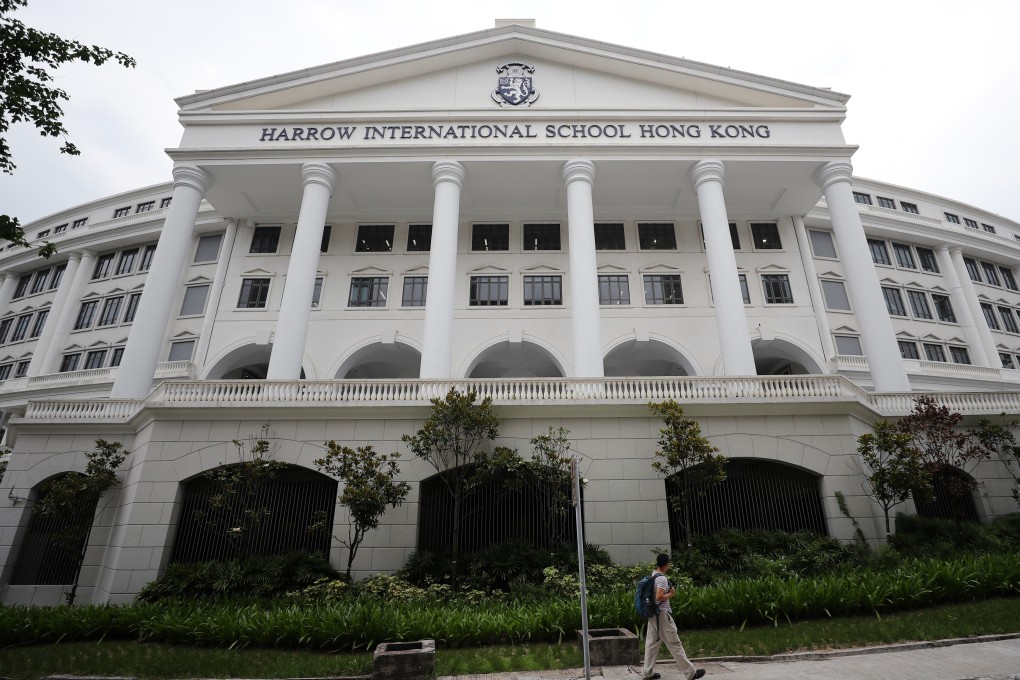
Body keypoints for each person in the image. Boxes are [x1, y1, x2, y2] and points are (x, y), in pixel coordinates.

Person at [641, 553, 705, 680]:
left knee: (652, 644)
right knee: (674, 643)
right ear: (666, 565)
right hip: (662, 615)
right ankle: (690, 673)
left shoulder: (653, 575)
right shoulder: (662, 579)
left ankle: (647, 673)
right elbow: (659, 597)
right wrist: (671, 594)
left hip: (652, 615)